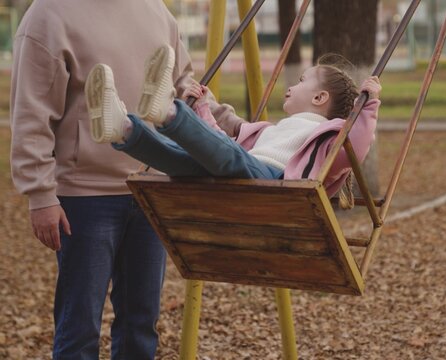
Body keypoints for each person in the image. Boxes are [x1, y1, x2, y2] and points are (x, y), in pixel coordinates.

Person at [10, 2, 193, 359]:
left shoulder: (155, 10)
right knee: (79, 327)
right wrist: (40, 194)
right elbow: (31, 111)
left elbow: (184, 84)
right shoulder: (50, 14)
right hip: (84, 196)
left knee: (141, 324)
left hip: (151, 189)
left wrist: (232, 126)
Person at [86, 45, 382, 197]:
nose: (291, 85)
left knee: (231, 158)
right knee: (181, 160)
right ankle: (123, 129)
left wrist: (368, 106)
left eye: (302, 80)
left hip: (275, 185)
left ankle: (169, 113)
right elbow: (220, 144)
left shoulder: (328, 138)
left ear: (319, 98)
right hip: (241, 169)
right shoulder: (270, 131)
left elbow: (357, 145)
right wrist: (201, 107)